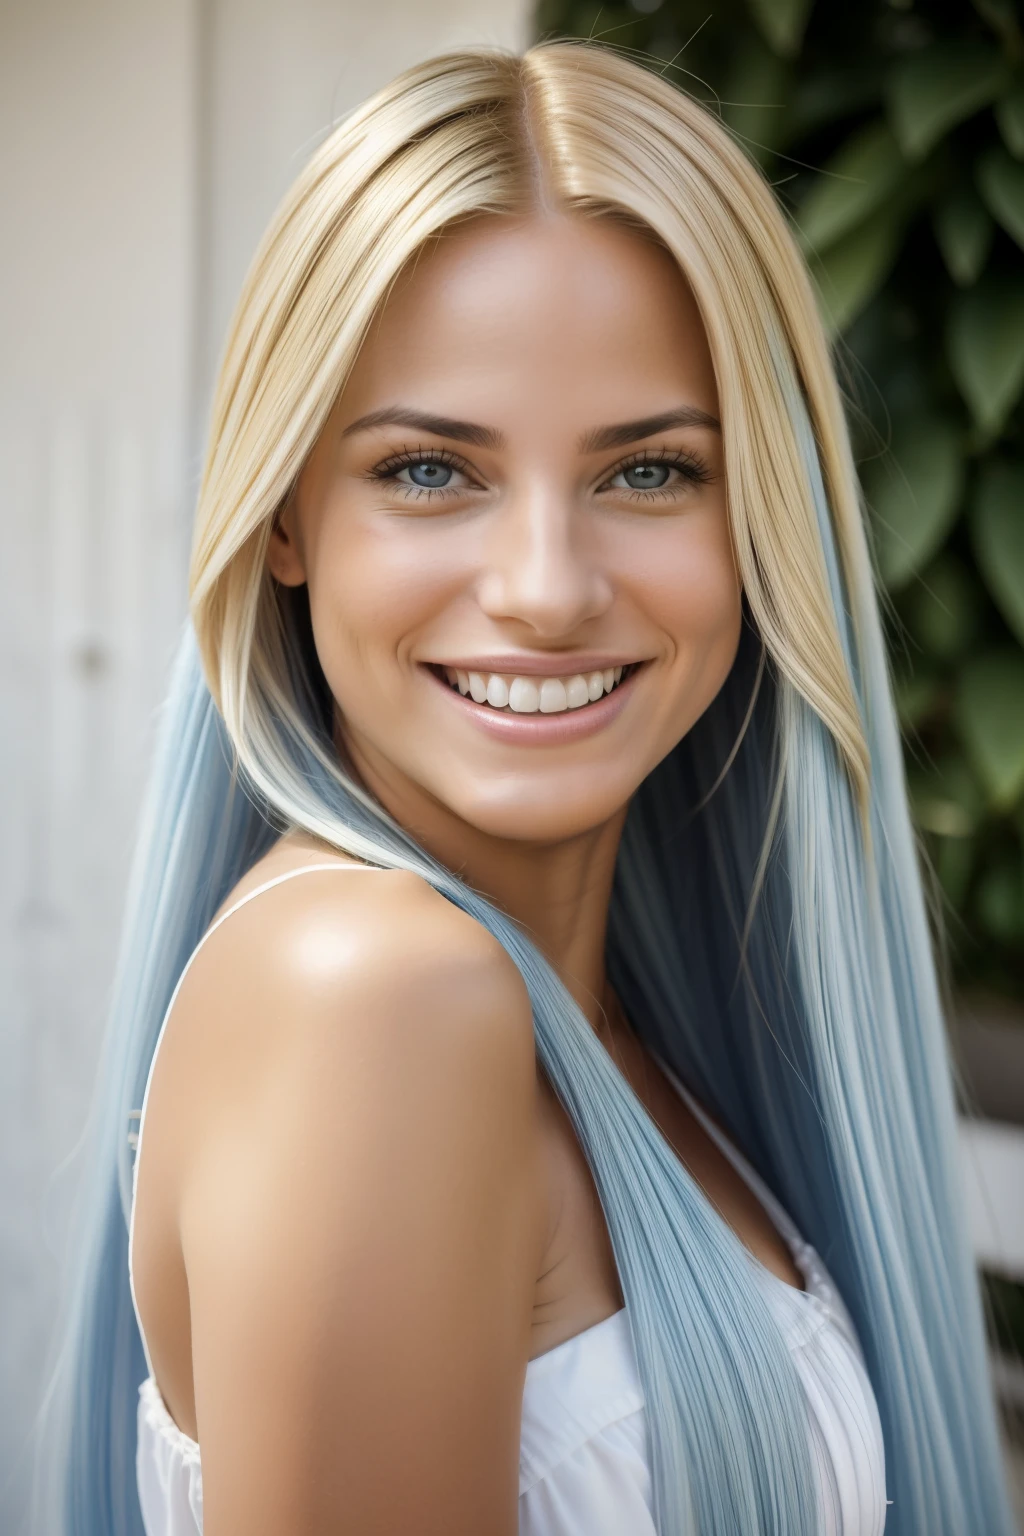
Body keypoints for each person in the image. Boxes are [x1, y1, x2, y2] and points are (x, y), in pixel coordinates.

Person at [46, 40, 1014, 1536]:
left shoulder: (617, 1022)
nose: (548, 592)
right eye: (432, 471)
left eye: (649, 473)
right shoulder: (375, 993)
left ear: (762, 516)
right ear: (288, 516)